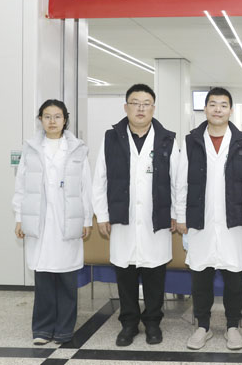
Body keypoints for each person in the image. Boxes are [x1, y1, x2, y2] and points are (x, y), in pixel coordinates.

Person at [92, 83, 179, 347]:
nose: (140, 108)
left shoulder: (168, 139)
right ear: (126, 107)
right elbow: (100, 179)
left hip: (156, 218)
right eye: (135, 103)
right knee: (125, 274)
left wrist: (176, 213)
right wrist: (102, 215)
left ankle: (153, 323)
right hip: (123, 217)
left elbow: (178, 180)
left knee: (155, 274)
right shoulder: (111, 138)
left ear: (153, 108)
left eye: (146, 103)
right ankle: (128, 324)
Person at [175, 87, 242, 351]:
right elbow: (181, 182)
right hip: (200, 219)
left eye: (223, 105)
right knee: (201, 276)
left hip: (234, 220)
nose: (218, 109)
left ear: (231, 110)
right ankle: (203, 326)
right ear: (205, 108)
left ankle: (233, 326)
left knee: (234, 276)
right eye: (213, 104)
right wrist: (181, 215)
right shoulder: (191, 141)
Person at [13, 99, 92, 345]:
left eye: (57, 117)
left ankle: (65, 329)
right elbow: (21, 185)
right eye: (47, 116)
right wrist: (19, 217)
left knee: (67, 278)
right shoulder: (31, 148)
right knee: (44, 276)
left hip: (68, 218)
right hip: (39, 219)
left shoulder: (78, 149)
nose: (52, 121)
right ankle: (42, 329)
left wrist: (86, 219)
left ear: (65, 120)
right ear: (40, 120)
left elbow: (86, 187)